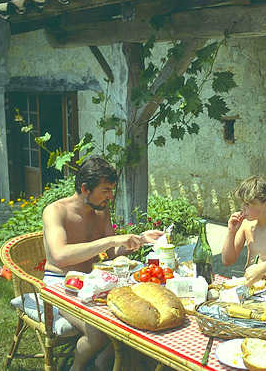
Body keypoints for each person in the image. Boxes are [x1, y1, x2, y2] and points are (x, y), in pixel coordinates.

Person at [42, 155, 164, 371]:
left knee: (129, 316)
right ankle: (75, 368)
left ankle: (102, 366)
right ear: (85, 188)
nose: (111, 195)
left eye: (112, 189)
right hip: (59, 284)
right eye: (105, 190)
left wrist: (140, 239)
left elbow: (112, 252)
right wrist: (110, 239)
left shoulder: (101, 210)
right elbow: (60, 256)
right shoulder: (56, 211)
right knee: (98, 333)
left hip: (91, 281)